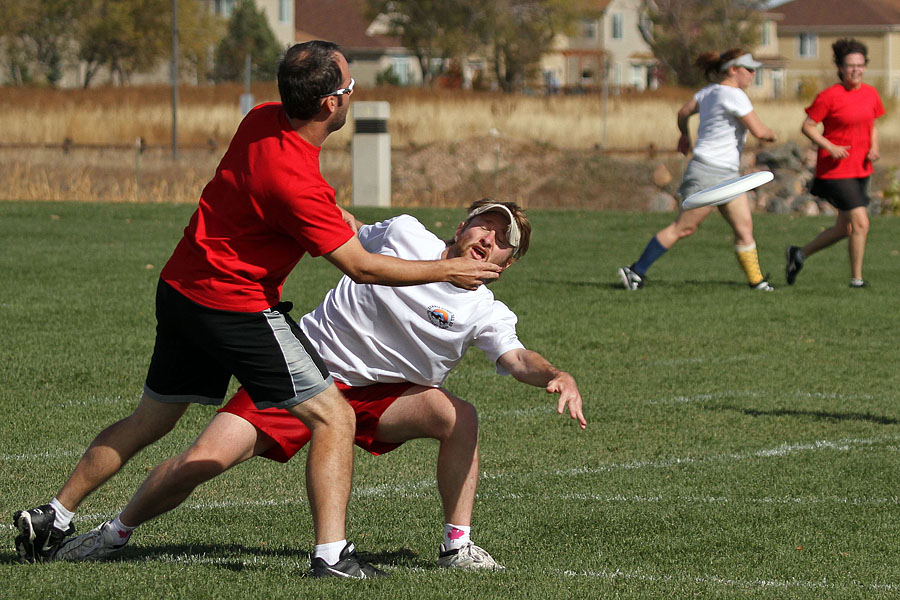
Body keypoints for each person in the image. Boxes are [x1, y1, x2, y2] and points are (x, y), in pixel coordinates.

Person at [13, 41, 500, 578]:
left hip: (180, 291)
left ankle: (54, 516)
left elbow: (319, 214)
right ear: (329, 106)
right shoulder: (297, 183)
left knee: (150, 419)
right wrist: (446, 271)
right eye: (350, 88)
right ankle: (333, 557)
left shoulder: (260, 119)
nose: (353, 96)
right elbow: (361, 267)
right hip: (234, 307)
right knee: (333, 417)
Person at [52, 200, 586, 571]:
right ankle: (112, 534)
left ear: (506, 263)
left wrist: (555, 374)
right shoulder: (405, 234)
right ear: (462, 226)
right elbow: (344, 231)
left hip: (383, 396)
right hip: (304, 372)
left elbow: (517, 358)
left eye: (500, 240)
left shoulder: (487, 310)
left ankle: (457, 545)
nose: (487, 237)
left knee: (460, 416)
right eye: (482, 225)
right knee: (203, 461)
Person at [618, 49, 778, 291]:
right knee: (684, 227)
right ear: (733, 70)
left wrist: (684, 133)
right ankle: (635, 271)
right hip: (709, 172)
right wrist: (772, 134)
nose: (753, 74)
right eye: (749, 69)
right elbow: (759, 131)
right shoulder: (735, 95)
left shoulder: (707, 92)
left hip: (726, 173)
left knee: (744, 229)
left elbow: (683, 112)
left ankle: (757, 282)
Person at [786, 38, 885, 288]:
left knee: (845, 229)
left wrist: (874, 147)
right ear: (840, 68)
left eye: (860, 65)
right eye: (850, 65)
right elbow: (807, 126)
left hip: (861, 169)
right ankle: (857, 280)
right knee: (861, 223)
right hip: (835, 171)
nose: (855, 70)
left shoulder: (871, 94)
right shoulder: (829, 96)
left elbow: (872, 124)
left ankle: (798, 254)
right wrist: (830, 146)